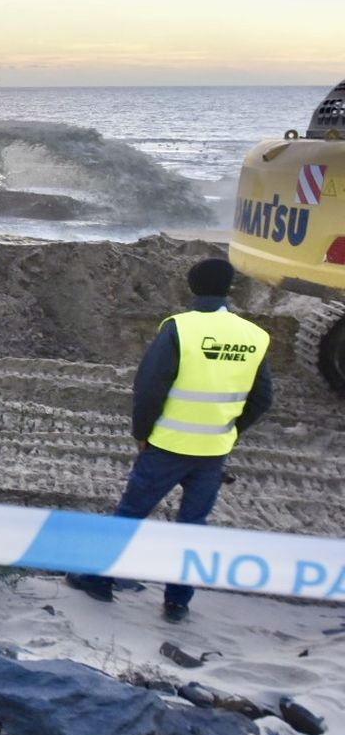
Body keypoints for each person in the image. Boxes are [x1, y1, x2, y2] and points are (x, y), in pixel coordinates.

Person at [68, 257, 273, 621]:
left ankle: (99, 580)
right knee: (193, 527)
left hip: (167, 445)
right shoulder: (255, 336)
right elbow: (262, 398)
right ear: (229, 288)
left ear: (192, 287)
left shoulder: (180, 328)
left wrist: (142, 433)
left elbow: (149, 388)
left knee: (131, 513)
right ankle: (177, 602)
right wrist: (229, 429)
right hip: (213, 452)